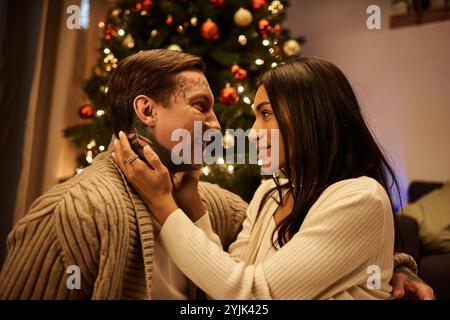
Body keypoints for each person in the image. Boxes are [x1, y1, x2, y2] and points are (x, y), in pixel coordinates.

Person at [0, 50, 432, 300]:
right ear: (147, 110)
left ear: (311, 117)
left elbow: (252, 287)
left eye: (265, 115)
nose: (226, 128)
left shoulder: (221, 204)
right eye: (201, 107)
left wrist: (396, 268)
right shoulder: (74, 213)